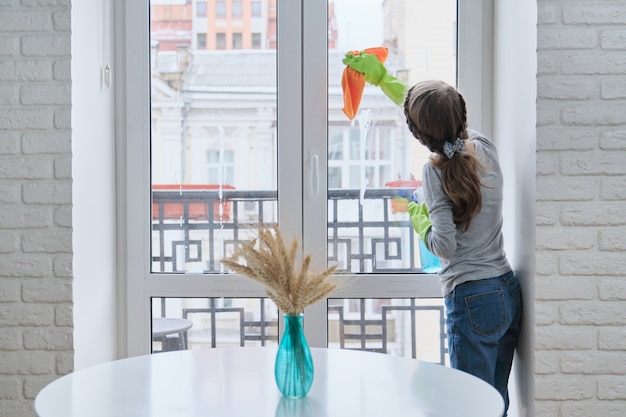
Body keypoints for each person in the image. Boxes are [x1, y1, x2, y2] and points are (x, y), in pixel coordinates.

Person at [404, 80, 522, 416]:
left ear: (419, 135)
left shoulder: (433, 171)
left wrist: (420, 220)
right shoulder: (484, 145)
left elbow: (444, 246)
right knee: (494, 403)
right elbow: (441, 117)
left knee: (469, 408)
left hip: (472, 298)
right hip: (506, 289)